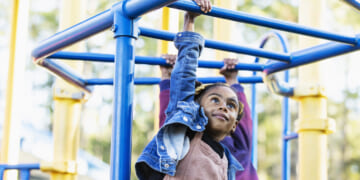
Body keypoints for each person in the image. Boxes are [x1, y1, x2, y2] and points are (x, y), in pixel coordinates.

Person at [136, 1, 245, 179]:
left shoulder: (228, 161)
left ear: (234, 125)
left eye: (231, 105)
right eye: (215, 100)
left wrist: (233, 80)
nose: (224, 107)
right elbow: (185, 75)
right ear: (195, 107)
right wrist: (190, 19)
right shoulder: (183, 135)